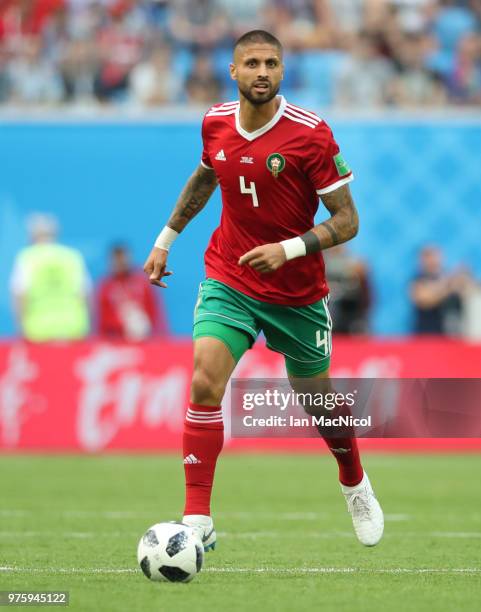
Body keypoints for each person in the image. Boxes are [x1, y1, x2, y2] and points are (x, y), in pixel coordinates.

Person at [143, 30, 384, 553]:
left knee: (318, 401)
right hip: (230, 273)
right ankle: (197, 519)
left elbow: (348, 221)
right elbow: (206, 179)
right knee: (205, 378)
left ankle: (353, 481)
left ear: (282, 70)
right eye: (251, 63)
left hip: (296, 291)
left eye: (271, 63)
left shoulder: (311, 135)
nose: (261, 72)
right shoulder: (213, 121)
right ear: (233, 71)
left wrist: (290, 249)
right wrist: (167, 239)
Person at [10, 213, 91, 342]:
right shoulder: (72, 257)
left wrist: (20, 328)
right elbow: (84, 295)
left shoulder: (27, 258)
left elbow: (20, 296)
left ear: (32, 235)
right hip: (73, 330)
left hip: (38, 332)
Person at [97, 244, 167, 341]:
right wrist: (122, 324)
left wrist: (158, 336)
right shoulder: (106, 286)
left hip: (144, 339)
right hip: (117, 342)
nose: (120, 263)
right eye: (117, 260)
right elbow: (103, 320)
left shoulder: (142, 282)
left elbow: (155, 312)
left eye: (123, 259)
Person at [410, 245, 469, 335]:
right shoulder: (417, 279)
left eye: (434, 255)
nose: (432, 259)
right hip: (426, 335)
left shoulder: (448, 277)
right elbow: (424, 299)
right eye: (427, 256)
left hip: (450, 335)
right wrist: (448, 286)